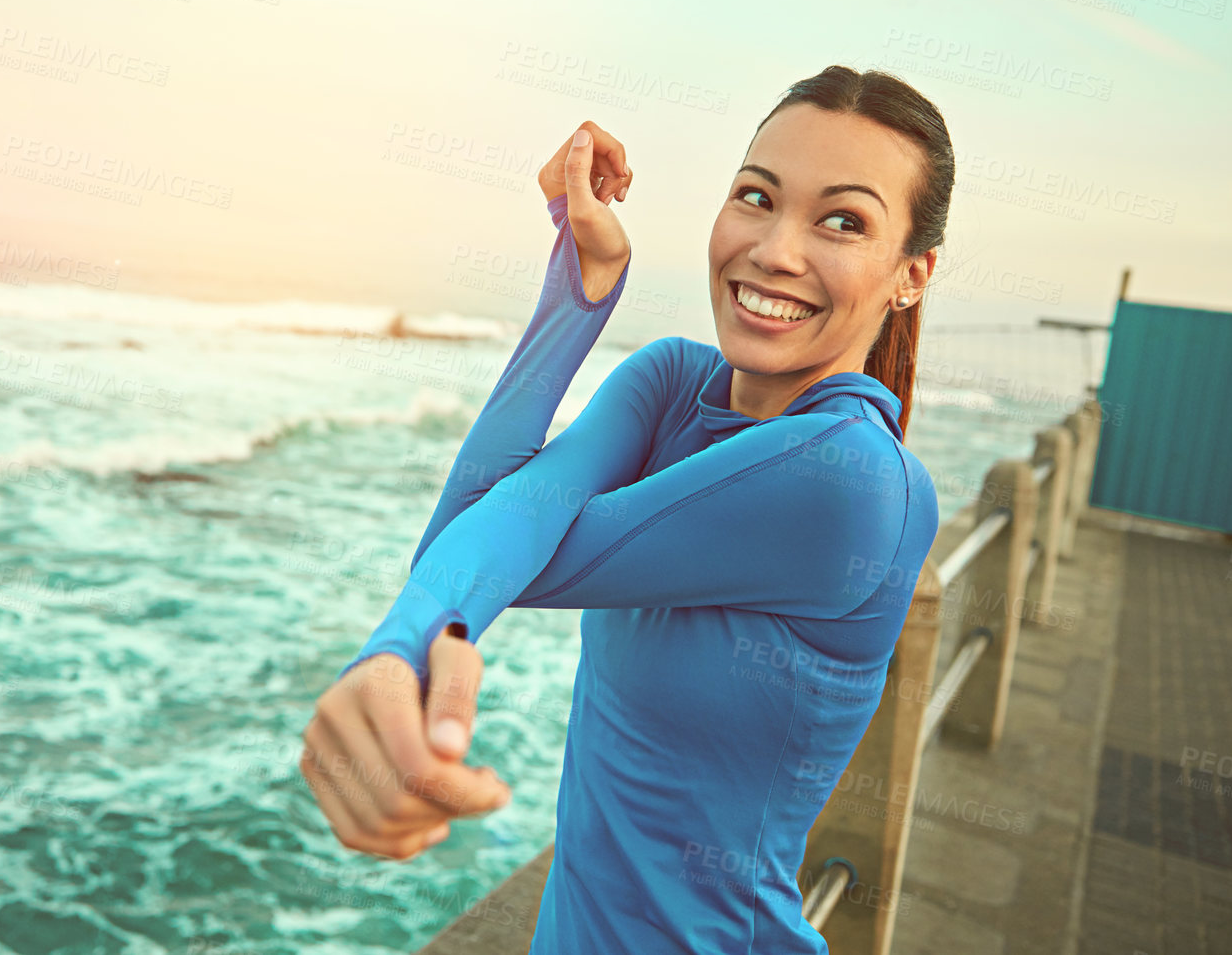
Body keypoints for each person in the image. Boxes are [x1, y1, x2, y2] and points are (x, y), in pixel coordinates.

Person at [301, 65, 949, 953]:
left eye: (842, 220)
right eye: (757, 197)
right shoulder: (674, 381)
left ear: (910, 275)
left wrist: (410, 642)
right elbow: (496, 518)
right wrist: (581, 281)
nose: (776, 249)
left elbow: (500, 541)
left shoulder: (852, 479)